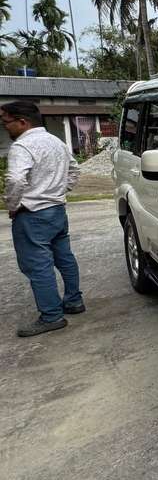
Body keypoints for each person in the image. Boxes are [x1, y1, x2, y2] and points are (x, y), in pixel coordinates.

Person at [1, 100, 85, 337]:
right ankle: (74, 301)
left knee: (38, 267)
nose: (5, 127)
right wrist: (58, 192)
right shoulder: (56, 141)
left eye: (6, 122)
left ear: (22, 122)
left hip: (33, 214)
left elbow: (16, 180)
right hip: (57, 211)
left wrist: (13, 205)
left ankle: (51, 316)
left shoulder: (22, 147)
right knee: (64, 258)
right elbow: (74, 170)